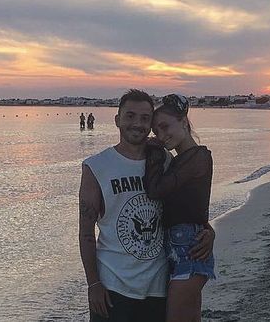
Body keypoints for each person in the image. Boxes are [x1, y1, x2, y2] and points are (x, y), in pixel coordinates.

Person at [79, 89, 215, 322]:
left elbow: (187, 206)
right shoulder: (96, 167)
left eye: (145, 118)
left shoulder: (166, 161)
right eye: (130, 116)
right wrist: (93, 284)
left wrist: (208, 231)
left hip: (158, 285)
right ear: (117, 120)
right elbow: (86, 233)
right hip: (113, 285)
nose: (137, 124)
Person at [144, 94, 215, 322]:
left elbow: (155, 190)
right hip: (183, 251)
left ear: (184, 122)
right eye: (156, 132)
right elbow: (192, 206)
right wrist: (210, 230)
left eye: (165, 127)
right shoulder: (178, 161)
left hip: (189, 253)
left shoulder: (198, 157)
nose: (161, 136)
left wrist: (153, 151)